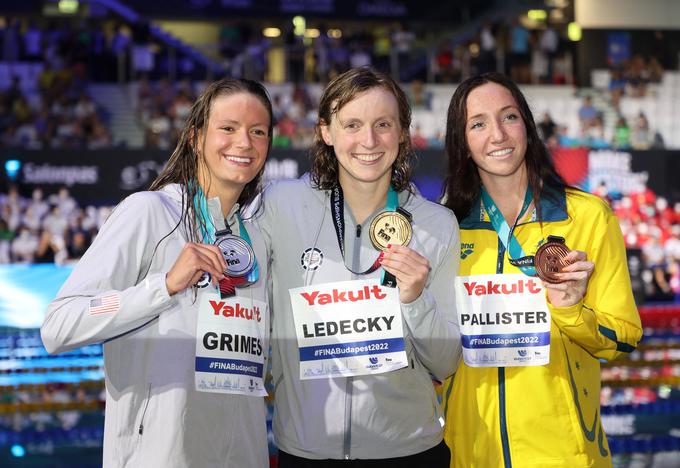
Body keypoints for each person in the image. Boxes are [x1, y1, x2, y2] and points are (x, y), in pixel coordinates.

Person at [41, 78, 273, 467]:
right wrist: (163, 286)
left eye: (258, 131)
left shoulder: (258, 237)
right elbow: (59, 324)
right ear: (197, 138)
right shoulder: (149, 212)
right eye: (228, 129)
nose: (244, 143)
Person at [256, 67, 461, 466]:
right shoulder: (281, 205)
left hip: (409, 450)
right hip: (306, 450)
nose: (368, 141)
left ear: (402, 132)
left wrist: (416, 300)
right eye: (352, 124)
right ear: (326, 132)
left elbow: (446, 361)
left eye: (383, 124)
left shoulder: (436, 223)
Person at [441, 72, 642, 468]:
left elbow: (623, 338)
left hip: (562, 453)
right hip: (468, 453)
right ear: (463, 144)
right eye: (478, 124)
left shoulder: (587, 216)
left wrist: (571, 309)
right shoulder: (444, 225)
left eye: (509, 117)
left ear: (527, 128)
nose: (497, 134)